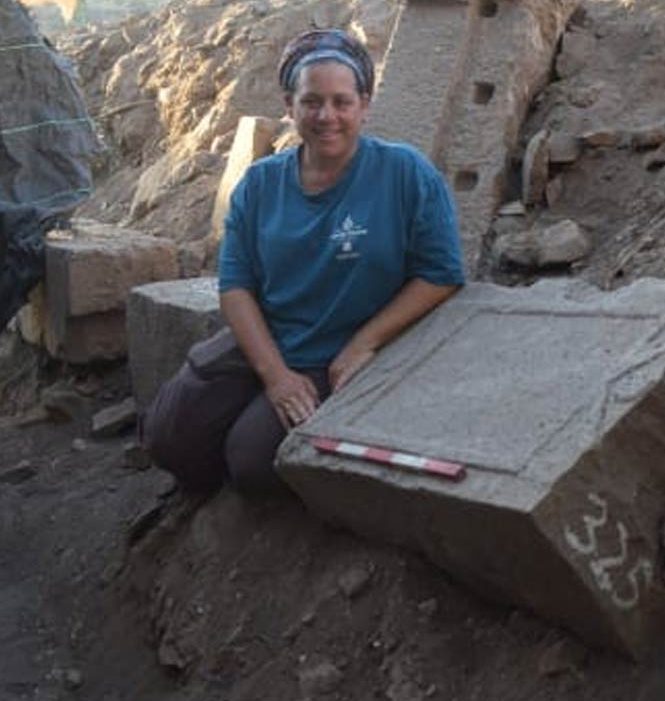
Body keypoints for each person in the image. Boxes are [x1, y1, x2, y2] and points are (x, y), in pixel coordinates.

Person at [141, 29, 465, 494]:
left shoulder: (405, 173)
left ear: (364, 105)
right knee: (165, 435)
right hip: (269, 339)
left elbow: (441, 274)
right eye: (312, 102)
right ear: (290, 106)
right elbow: (236, 284)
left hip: (336, 353)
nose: (326, 116)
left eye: (341, 102)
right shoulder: (259, 184)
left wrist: (365, 342)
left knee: (251, 462)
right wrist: (275, 376)